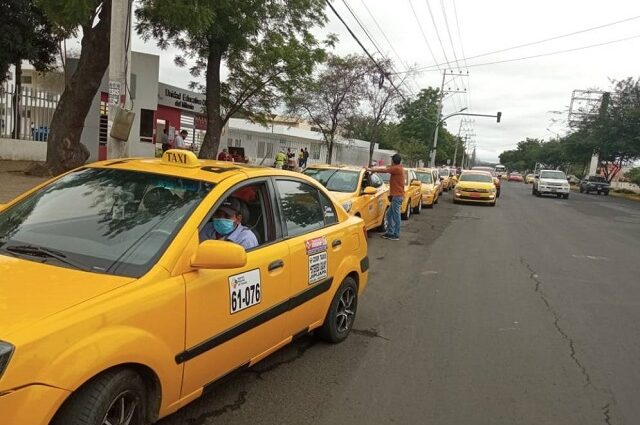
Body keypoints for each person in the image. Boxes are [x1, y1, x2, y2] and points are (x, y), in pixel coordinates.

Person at [368, 153, 404, 241]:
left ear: (394, 161)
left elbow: (385, 170)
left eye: (392, 160)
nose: (390, 161)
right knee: (389, 214)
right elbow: (386, 167)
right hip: (396, 196)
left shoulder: (396, 168)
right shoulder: (398, 167)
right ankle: (390, 232)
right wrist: (374, 168)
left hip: (397, 196)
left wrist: (370, 169)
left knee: (396, 215)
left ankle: (396, 234)